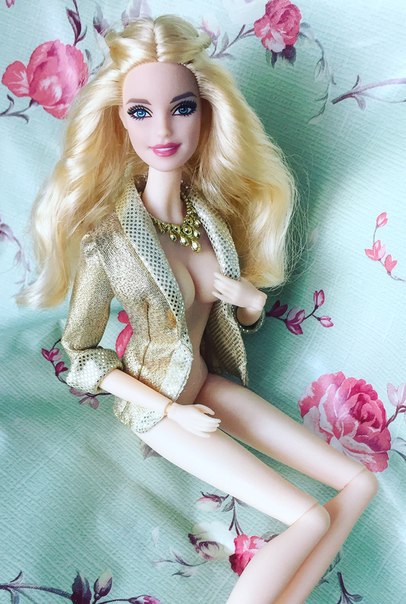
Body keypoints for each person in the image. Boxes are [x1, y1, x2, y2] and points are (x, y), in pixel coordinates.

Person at [18, 15, 378, 603]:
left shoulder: (207, 221)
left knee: (359, 483)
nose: (163, 129)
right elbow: (80, 353)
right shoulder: (108, 238)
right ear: (118, 120)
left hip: (209, 383)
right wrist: (169, 412)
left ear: (207, 113)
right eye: (140, 112)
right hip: (162, 408)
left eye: (181, 108)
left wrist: (250, 304)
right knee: (309, 518)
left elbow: (231, 321)